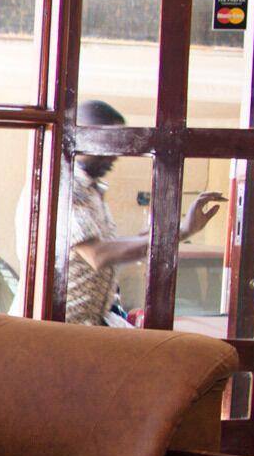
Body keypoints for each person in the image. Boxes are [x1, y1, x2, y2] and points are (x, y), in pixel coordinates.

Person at [62, 100, 223, 326]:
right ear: (85, 139)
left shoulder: (91, 190)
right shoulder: (64, 187)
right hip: (60, 330)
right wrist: (179, 233)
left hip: (89, 325)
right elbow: (98, 255)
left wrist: (179, 231)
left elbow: (108, 247)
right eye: (112, 144)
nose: (116, 155)